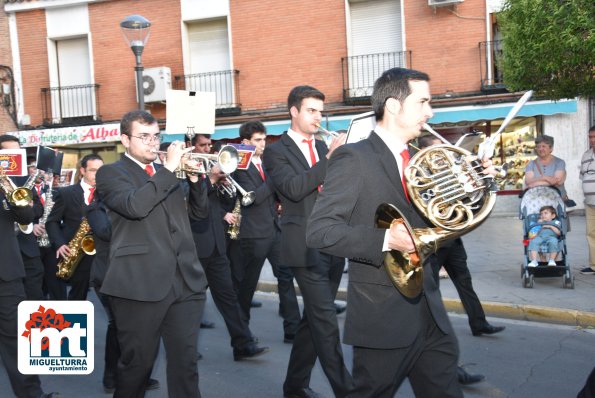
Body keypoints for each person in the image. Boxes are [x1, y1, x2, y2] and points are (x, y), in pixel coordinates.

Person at [306, 68, 487, 397]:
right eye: (423, 102)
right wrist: (387, 239)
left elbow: (448, 223)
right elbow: (320, 232)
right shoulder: (354, 158)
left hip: (431, 316)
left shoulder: (424, 160)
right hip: (382, 319)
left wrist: (475, 189)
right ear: (392, 105)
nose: (430, 111)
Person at [95, 110, 208, 397]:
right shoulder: (111, 173)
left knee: (186, 365)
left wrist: (196, 184)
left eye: (155, 136)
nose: (151, 142)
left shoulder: (164, 173)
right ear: (124, 140)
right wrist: (169, 170)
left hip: (185, 280)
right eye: (143, 136)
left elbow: (198, 215)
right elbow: (135, 206)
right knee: (137, 367)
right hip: (139, 283)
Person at [263, 85, 353, 398]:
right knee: (326, 321)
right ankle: (348, 390)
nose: (318, 117)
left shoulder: (323, 147)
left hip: (334, 243)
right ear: (294, 112)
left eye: (320, 111)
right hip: (303, 246)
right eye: (311, 110)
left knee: (312, 320)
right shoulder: (275, 152)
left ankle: (294, 385)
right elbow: (294, 188)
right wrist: (330, 158)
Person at [189, 133, 269, 361]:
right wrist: (211, 181)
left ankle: (243, 344)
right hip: (195, 246)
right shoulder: (187, 170)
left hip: (217, 245)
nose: (207, 149)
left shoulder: (211, 168)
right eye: (202, 145)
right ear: (191, 146)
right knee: (192, 300)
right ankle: (186, 348)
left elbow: (220, 202)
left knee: (228, 298)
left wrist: (224, 186)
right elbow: (191, 204)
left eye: (208, 145)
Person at [232, 120, 300, 343]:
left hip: (274, 230)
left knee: (286, 277)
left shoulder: (267, 163)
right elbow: (250, 198)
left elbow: (274, 193)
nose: (263, 144)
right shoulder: (238, 166)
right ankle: (242, 338)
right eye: (257, 140)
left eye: (264, 139)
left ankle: (292, 329)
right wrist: (273, 180)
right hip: (253, 234)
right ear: (245, 142)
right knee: (247, 286)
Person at [84, 196, 160, 393]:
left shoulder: (127, 207)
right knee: (118, 325)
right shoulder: (95, 210)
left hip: (132, 274)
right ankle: (111, 376)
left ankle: (133, 375)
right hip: (107, 276)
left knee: (133, 327)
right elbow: (106, 232)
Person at [0, 160, 58, 397]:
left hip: (7, 273)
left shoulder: (5, 184)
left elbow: (26, 214)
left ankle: (32, 395)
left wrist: (6, 185)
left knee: (17, 340)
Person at [46, 153, 103, 300]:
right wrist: (59, 243)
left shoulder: (106, 193)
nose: (98, 174)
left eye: (101, 170)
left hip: (100, 251)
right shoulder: (66, 193)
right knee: (77, 297)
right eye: (93, 170)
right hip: (75, 250)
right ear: (83, 171)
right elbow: (52, 221)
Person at [0, 136, 45, 300]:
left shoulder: (25, 179)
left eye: (18, 152)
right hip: (5, 251)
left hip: (26, 246)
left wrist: (28, 206)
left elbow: (38, 209)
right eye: (10, 152)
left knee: (34, 295)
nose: (15, 155)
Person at [580, 125, 595, 275]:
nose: (592, 140)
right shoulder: (586, 156)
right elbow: (582, 176)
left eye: (594, 137)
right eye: (590, 137)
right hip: (590, 201)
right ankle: (593, 265)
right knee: (591, 233)